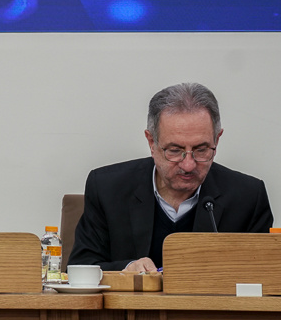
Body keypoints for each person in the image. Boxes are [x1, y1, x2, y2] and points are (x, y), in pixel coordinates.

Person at [69, 82, 272, 271]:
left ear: (217, 140)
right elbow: (80, 268)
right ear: (151, 142)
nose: (188, 165)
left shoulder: (248, 198)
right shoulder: (107, 188)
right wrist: (127, 269)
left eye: (201, 150)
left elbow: (265, 276)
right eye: (175, 150)